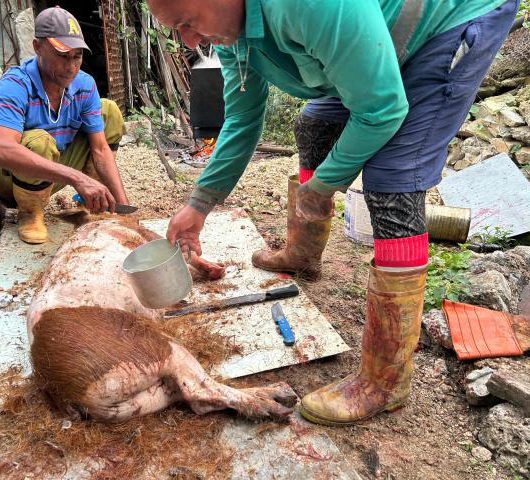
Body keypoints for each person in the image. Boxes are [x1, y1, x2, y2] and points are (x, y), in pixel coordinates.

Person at [146, 0, 519, 425]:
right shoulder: (231, 36)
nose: (189, 41)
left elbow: (382, 110)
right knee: (315, 122)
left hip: (448, 24)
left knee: (392, 175)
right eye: (177, 29)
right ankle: (303, 253)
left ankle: (385, 380)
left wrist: (322, 187)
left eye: (188, 23)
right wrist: (199, 205)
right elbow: (243, 120)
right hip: (375, 47)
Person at [0, 6, 128, 244]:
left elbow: (101, 150)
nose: (71, 66)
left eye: (77, 56)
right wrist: (76, 177)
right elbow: (2, 150)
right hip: (11, 183)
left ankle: (94, 202)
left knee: (109, 112)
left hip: (51, 175)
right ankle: (30, 213)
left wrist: (123, 205)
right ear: (38, 47)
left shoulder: (84, 85)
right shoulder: (16, 83)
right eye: (62, 56)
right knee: (39, 141)